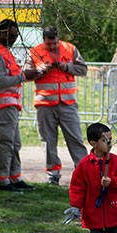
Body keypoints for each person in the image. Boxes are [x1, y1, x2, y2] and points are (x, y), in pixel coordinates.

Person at [24, 26, 89, 185]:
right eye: (48, 44)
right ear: (43, 40)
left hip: (67, 103)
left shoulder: (70, 48)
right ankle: (53, 175)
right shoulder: (34, 52)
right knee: (48, 141)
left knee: (76, 139)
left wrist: (66, 67)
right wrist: (41, 70)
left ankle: (84, 174)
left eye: (54, 44)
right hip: (45, 104)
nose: (52, 47)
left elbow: (83, 69)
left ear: (58, 38)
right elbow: (25, 74)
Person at [0, 19, 42, 191]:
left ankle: (15, 177)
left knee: (14, 144)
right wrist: (24, 76)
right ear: (3, 33)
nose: (15, 39)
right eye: (13, 35)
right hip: (2, 106)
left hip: (10, 105)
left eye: (16, 35)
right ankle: (2, 181)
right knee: (6, 143)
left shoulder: (4, 52)